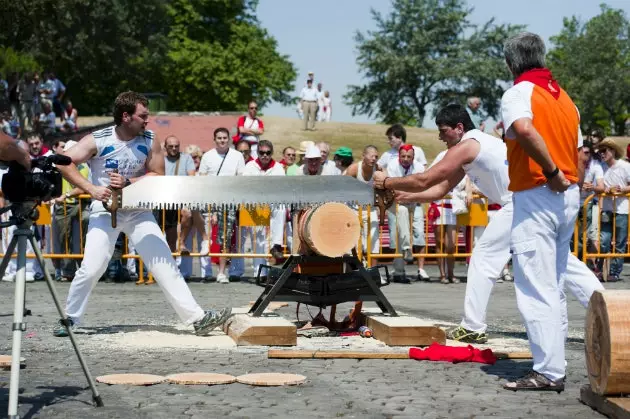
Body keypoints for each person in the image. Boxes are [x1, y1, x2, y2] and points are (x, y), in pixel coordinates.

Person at [374, 103, 603, 391]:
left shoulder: (469, 144)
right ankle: (607, 304)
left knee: (483, 258)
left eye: (444, 131)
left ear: (459, 127)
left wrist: (388, 181)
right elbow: (439, 189)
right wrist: (402, 196)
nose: (441, 137)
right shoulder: (470, 148)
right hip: (526, 202)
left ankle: (473, 327)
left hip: (519, 203)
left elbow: (426, 178)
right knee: (563, 262)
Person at [53, 91, 231, 337]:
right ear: (126, 117)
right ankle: (70, 319)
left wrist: (129, 181)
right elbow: (62, 161)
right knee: (92, 267)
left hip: (139, 212)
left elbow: (158, 174)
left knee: (164, 264)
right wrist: (91, 188)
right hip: (106, 211)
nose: (148, 120)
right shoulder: (98, 139)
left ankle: (197, 318)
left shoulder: (149, 139)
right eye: (143, 116)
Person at [198, 127, 245, 284]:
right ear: (214, 139)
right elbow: (203, 180)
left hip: (229, 201)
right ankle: (206, 273)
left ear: (229, 139)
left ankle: (222, 272)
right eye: (219, 138)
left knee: (225, 237)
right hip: (210, 201)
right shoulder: (207, 156)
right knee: (206, 237)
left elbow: (240, 179)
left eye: (225, 138)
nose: (222, 140)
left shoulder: (237, 156)